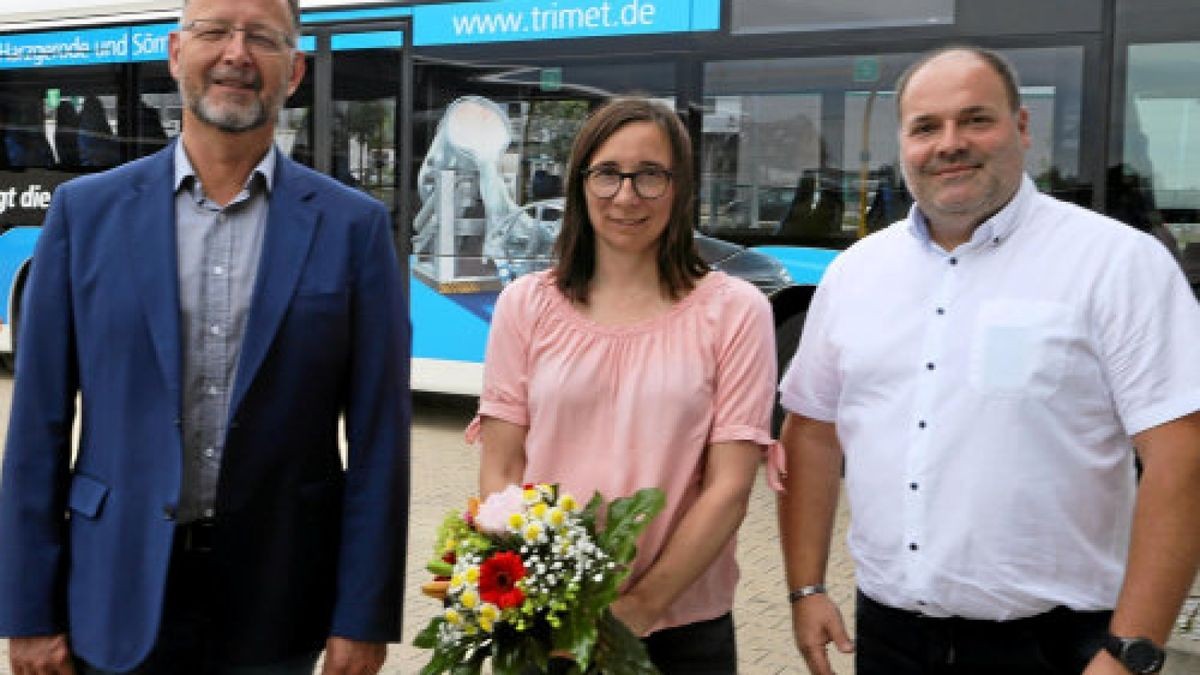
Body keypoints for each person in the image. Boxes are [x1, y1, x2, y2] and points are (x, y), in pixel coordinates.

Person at [0, 0, 411, 673]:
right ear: (174, 53)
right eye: (215, 30)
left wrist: (362, 617)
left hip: (280, 601)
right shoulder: (84, 214)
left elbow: (380, 445)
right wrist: (28, 611)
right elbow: (37, 429)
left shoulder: (353, 229)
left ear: (295, 69)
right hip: (110, 590)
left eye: (263, 38)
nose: (236, 54)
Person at [777, 45, 1200, 675]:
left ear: (1022, 128)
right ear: (903, 143)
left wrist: (1130, 649)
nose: (949, 143)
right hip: (890, 637)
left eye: (975, 119)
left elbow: (1182, 454)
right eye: (926, 127)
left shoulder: (1117, 263)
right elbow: (811, 433)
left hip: (1060, 646)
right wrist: (806, 589)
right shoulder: (856, 273)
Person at [470, 97, 781, 674]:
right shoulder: (525, 305)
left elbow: (729, 487)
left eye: (650, 176)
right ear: (581, 182)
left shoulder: (735, 312)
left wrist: (641, 606)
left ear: (680, 187)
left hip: (681, 630)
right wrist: (539, 586)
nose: (626, 195)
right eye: (608, 173)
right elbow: (502, 469)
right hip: (548, 624)